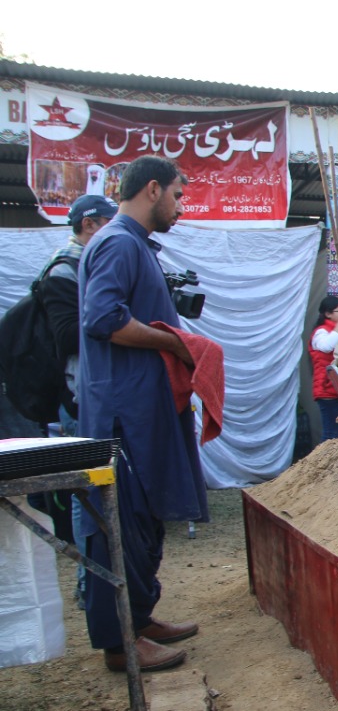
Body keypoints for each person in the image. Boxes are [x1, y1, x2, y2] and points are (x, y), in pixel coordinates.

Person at [78, 155, 208, 673]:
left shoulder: (134, 246)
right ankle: (119, 642)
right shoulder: (115, 242)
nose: (181, 206)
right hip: (121, 413)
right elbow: (103, 319)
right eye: (178, 195)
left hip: (145, 408)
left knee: (147, 518)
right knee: (122, 523)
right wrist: (177, 345)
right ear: (152, 190)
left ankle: (141, 615)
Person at [39, 193, 117, 607]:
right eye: (108, 223)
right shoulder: (65, 272)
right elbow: (67, 335)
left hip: (98, 393)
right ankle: (92, 583)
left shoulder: (87, 266)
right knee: (87, 494)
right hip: (79, 399)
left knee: (102, 495)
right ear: (90, 225)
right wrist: (114, 321)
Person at [310, 295, 338, 441]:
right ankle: (322, 464)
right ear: (328, 314)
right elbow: (326, 347)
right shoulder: (321, 331)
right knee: (331, 434)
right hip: (327, 390)